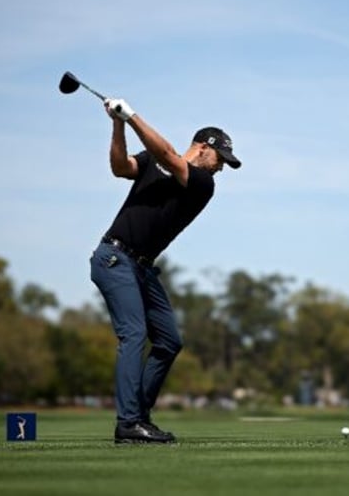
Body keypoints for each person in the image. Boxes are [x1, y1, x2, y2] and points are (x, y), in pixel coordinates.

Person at [90, 97, 241, 443]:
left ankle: (139, 416)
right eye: (221, 159)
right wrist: (117, 123)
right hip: (113, 258)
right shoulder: (157, 162)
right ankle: (128, 423)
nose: (221, 168)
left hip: (141, 267)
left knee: (169, 341)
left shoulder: (203, 184)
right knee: (134, 334)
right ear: (203, 148)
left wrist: (130, 116)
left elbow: (169, 156)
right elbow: (119, 167)